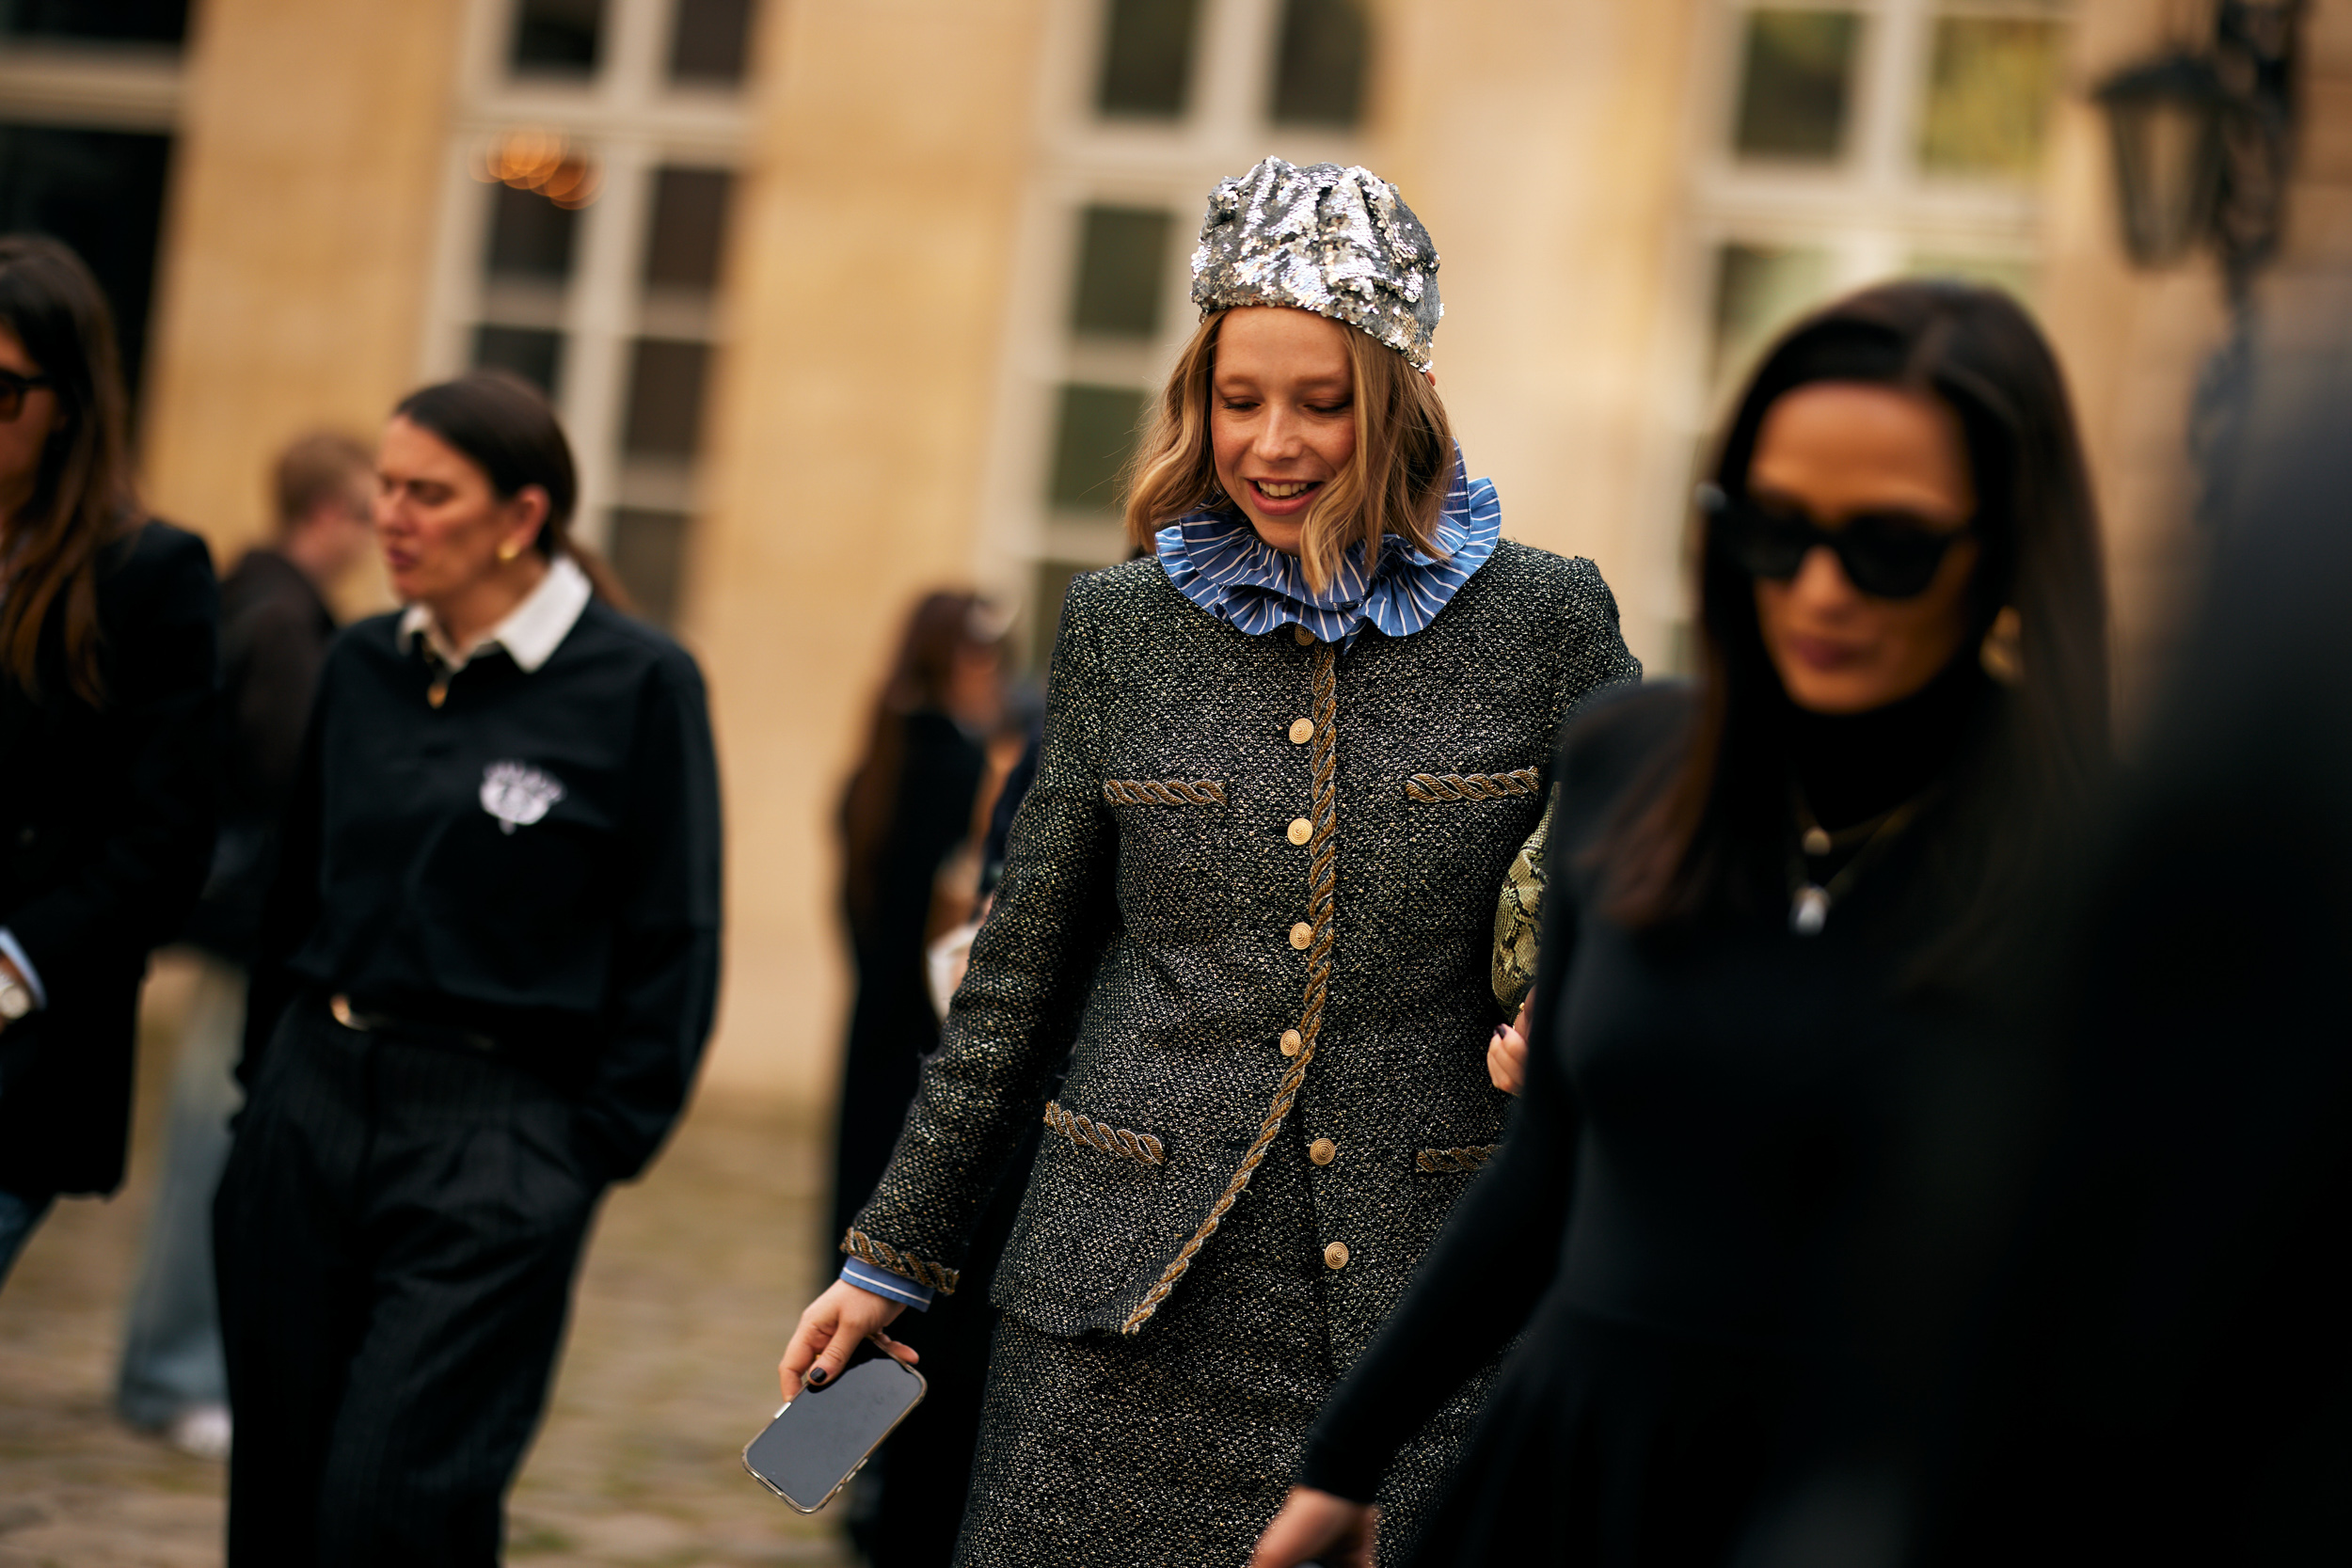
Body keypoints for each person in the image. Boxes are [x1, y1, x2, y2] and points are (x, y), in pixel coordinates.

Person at [778, 157, 1640, 1566]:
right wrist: (891, 1255)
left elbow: (1656, 862)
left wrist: (1575, 1008)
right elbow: (1021, 974)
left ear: (1399, 402)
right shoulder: (1122, 623)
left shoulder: (1545, 615)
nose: (1275, 444)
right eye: (1241, 401)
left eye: (1321, 403)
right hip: (1115, 1304)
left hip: (1419, 1314)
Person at [1252, 278, 2112, 1568]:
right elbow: (1544, 1169)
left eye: (1890, 546)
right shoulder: (1632, 760)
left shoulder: (2099, 856)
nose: (1820, 588)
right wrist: (1347, 1452)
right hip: (1575, 1472)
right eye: (1773, 530)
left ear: (2006, 548)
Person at [215, 371, 723, 1565]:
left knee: (393, 1507)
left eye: (428, 493)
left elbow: (676, 937)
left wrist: (580, 1152)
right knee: (279, 1505)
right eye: (385, 488)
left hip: (501, 1137)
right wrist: (265, 1097)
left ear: (521, 515)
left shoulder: (639, 683)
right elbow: (290, 899)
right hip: (310, 1109)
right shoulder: (357, 666)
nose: (391, 515)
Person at [115, 430, 376, 1460]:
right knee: (213, 1152)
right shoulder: (280, 617)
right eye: (367, 509)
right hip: (250, 927)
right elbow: (294, 778)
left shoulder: (261, 603)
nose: (377, 534)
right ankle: (169, 1373)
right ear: (326, 513)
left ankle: (168, 1367)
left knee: (216, 1145)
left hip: (245, 924)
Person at [0, 234, 218, 1287]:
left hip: (24, 1035)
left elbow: (167, 835)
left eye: (1, 388)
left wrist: (16, 964)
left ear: (70, 402)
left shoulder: (149, 573)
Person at [829, 587, 1008, 1567]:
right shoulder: (945, 763)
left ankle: (864, 1478)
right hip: (925, 1052)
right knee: (919, 1282)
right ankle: (892, 1497)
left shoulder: (878, 753)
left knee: (864, 1253)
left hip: (871, 1047)